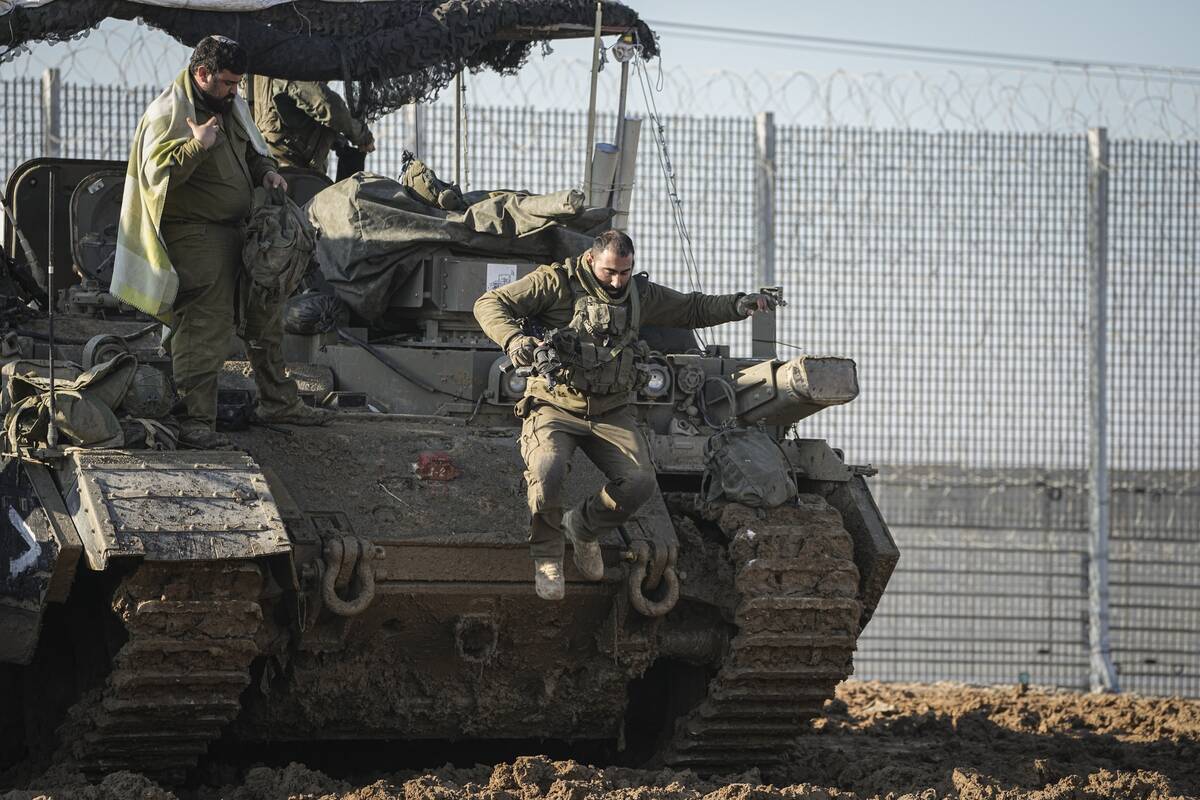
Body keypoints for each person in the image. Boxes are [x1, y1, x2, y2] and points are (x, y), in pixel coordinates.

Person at [473, 230, 778, 600]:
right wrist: (515, 340)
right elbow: (490, 302)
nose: (617, 281)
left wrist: (737, 305)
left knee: (639, 482)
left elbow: (690, 309)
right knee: (547, 468)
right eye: (609, 272)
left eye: (625, 272)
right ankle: (548, 556)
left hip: (611, 410)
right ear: (590, 260)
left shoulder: (639, 294)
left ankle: (583, 527)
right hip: (556, 404)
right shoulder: (555, 282)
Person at [112, 35, 329, 449]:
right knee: (204, 327)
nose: (234, 90)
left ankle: (278, 402)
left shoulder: (230, 108)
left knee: (265, 315)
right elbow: (158, 181)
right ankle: (196, 423)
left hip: (242, 232)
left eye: (237, 83)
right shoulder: (169, 113)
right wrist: (196, 146)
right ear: (201, 74)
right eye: (227, 82)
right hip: (195, 235)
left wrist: (267, 171)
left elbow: (253, 152)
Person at [245, 76, 375, 175]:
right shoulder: (290, 59)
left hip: (273, 165)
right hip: (294, 170)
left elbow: (292, 112)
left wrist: (336, 139)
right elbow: (327, 106)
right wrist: (361, 135)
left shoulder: (262, 63)